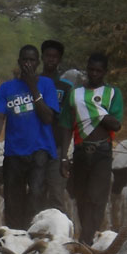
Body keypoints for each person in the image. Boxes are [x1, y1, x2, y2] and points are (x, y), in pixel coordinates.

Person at [0, 45, 59, 230]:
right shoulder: (6, 88)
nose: (28, 63)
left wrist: (33, 88)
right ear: (19, 62)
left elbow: (48, 117)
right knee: (13, 198)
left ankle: (34, 234)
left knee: (36, 194)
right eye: (25, 60)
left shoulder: (46, 85)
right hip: (14, 151)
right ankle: (15, 236)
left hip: (40, 150)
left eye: (32, 60)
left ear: (37, 63)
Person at [59, 52, 123, 242]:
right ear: (87, 70)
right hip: (80, 151)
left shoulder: (112, 93)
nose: (94, 74)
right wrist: (64, 157)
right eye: (91, 70)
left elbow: (116, 124)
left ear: (105, 72)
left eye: (99, 71)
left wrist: (95, 111)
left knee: (97, 198)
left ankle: (86, 241)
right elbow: (66, 125)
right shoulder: (75, 93)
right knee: (81, 199)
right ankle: (87, 238)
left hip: (102, 151)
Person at [41, 39, 73, 210]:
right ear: (42, 57)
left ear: (59, 60)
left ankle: (57, 235)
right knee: (35, 193)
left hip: (57, 147)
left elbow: (68, 122)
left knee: (56, 194)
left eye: (55, 57)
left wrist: (64, 155)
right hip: (35, 147)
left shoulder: (66, 87)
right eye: (48, 56)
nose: (51, 60)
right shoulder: (32, 83)